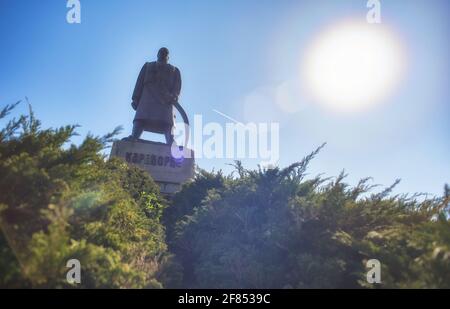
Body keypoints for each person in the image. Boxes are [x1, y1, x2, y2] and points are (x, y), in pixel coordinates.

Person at [128, 47, 182, 144]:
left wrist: (174, 96)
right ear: (157, 54)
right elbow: (139, 83)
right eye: (161, 52)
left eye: (165, 53)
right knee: (140, 119)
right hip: (147, 99)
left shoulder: (174, 70)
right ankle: (134, 136)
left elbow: (177, 87)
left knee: (167, 122)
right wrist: (135, 99)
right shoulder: (148, 66)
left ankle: (170, 140)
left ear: (168, 57)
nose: (163, 54)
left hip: (165, 101)